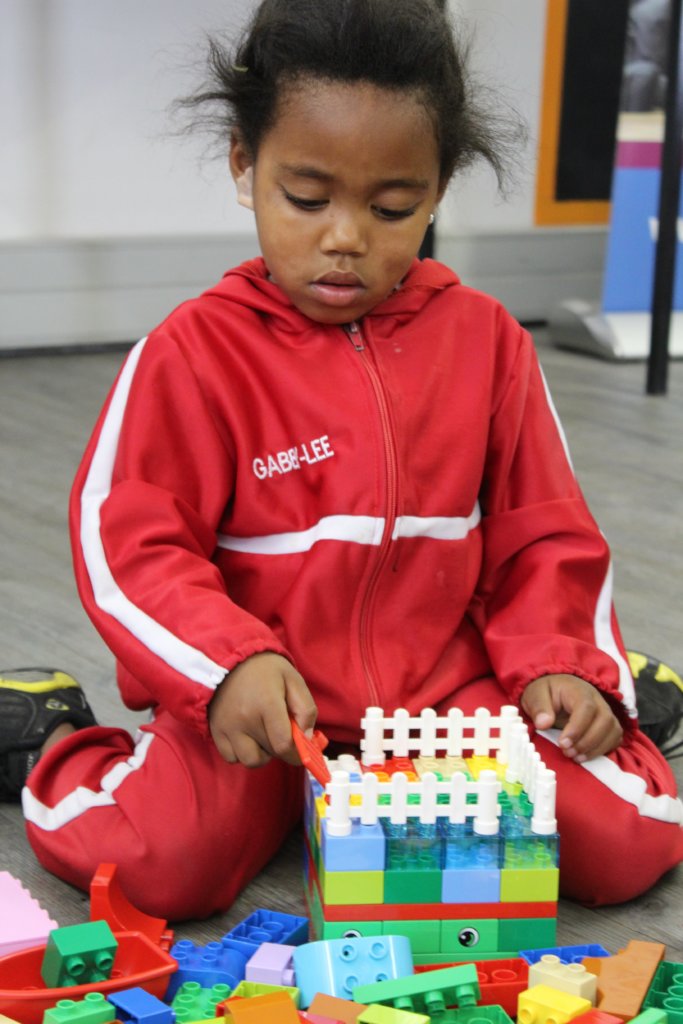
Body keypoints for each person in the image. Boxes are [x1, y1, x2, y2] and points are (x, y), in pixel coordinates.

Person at [1, 0, 682, 922]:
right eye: (307, 197)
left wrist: (560, 663)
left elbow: (543, 530)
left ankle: (611, 687)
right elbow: (128, 550)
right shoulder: (194, 351)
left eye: (392, 206)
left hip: (449, 696)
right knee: (158, 868)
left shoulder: (487, 343)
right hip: (262, 709)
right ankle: (53, 740)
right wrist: (224, 667)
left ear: (437, 190)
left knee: (625, 841)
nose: (346, 238)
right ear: (246, 165)